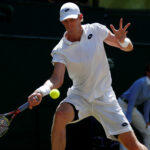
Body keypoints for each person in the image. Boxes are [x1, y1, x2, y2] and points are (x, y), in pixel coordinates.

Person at [28, 2, 148, 150]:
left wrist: (122, 41)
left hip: (105, 97)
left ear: (80, 17)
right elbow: (56, 79)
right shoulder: (60, 49)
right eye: (66, 21)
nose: (69, 24)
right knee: (60, 115)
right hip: (80, 96)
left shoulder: (96, 30)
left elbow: (128, 47)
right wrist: (41, 91)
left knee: (132, 145)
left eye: (72, 19)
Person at [118, 63, 150, 150]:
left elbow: (147, 103)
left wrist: (147, 119)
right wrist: (128, 116)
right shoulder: (141, 82)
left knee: (148, 131)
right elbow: (132, 98)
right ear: (148, 73)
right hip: (122, 105)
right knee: (124, 131)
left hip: (133, 108)